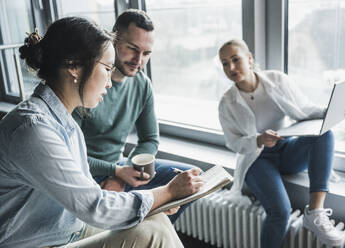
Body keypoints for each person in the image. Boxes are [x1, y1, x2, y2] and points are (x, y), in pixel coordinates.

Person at [0, 17, 202, 248]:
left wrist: (156, 200)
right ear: (74, 66)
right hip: (38, 242)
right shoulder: (32, 129)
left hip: (68, 228)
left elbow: (147, 140)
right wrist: (165, 193)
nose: (109, 82)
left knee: (156, 220)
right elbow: (94, 206)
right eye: (106, 69)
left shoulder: (63, 121)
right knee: (152, 234)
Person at [218, 39, 345, 248]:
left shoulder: (277, 80)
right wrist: (259, 139)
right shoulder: (227, 104)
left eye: (236, 59)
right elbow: (233, 143)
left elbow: (306, 110)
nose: (231, 67)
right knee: (279, 212)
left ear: (250, 58)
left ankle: (315, 211)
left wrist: (335, 111)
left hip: (287, 150)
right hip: (257, 160)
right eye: (225, 63)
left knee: (325, 133)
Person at [72, 9, 198, 223]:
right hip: (85, 173)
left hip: (120, 167)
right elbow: (72, 156)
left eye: (147, 53)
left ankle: (144, 232)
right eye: (132, 49)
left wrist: (124, 172)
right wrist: (117, 172)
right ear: (113, 40)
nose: (139, 60)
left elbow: (150, 139)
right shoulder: (87, 83)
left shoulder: (142, 85)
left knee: (190, 180)